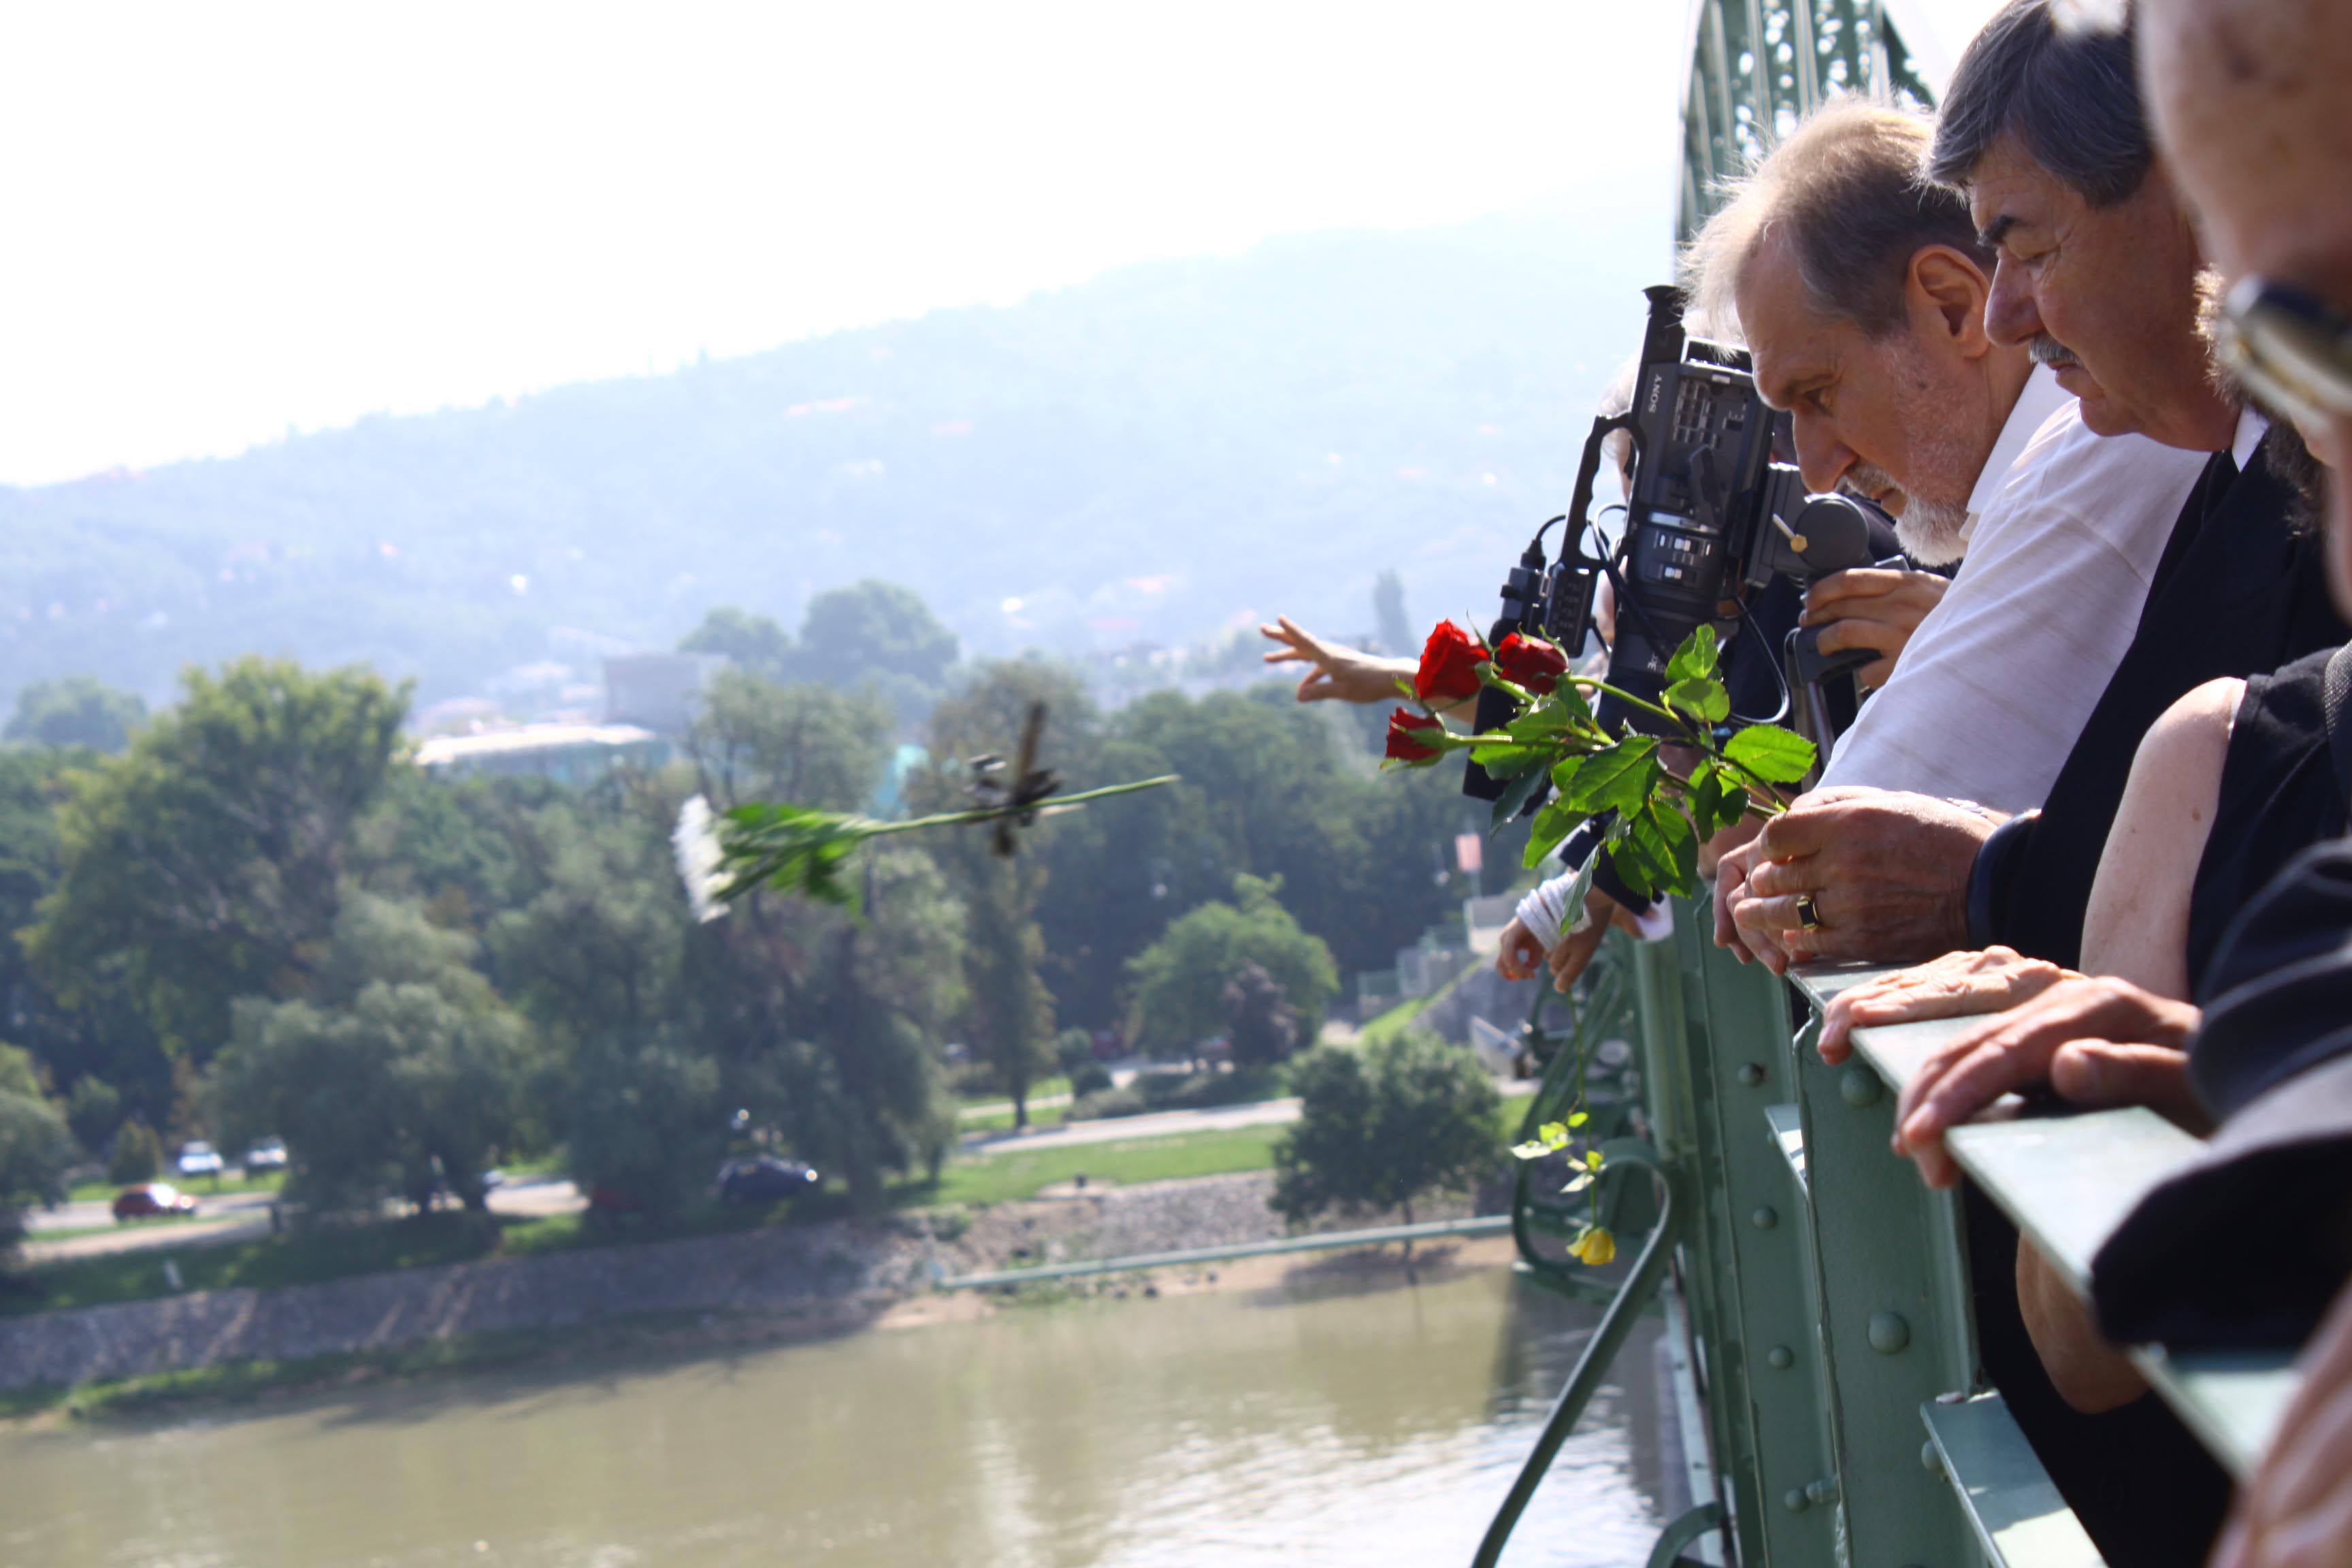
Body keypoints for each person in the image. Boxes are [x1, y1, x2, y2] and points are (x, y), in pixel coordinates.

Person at [1716, 0, 2347, 979]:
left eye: (2034, 251)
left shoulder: (2128, 454)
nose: (2012, 314)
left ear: (2205, 205)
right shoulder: (2225, 465)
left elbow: (1818, 861)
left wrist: (1993, 885)